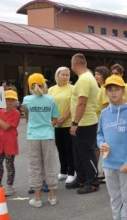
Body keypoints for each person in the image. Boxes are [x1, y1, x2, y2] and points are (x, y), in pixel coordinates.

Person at [97, 75, 127, 220]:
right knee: (114, 198)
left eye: (117, 89)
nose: (113, 93)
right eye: (110, 90)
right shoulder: (104, 113)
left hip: (124, 163)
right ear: (106, 92)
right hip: (108, 163)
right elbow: (99, 134)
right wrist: (101, 144)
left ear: (123, 91)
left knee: (126, 199)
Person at [22, 73, 59, 207]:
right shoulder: (51, 99)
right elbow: (55, 119)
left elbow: (26, 114)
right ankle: (52, 196)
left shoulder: (27, 99)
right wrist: (48, 125)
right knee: (50, 165)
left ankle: (37, 198)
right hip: (48, 135)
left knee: (35, 166)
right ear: (44, 85)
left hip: (33, 136)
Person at [67, 53, 100, 194]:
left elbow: (82, 102)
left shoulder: (84, 80)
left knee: (86, 153)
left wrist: (75, 123)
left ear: (73, 65)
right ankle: (81, 178)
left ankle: (93, 182)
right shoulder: (86, 77)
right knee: (78, 153)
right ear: (85, 63)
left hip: (85, 122)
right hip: (82, 122)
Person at [48, 67, 75, 184]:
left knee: (70, 149)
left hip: (68, 123)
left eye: (67, 75)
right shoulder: (51, 90)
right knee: (60, 149)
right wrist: (55, 121)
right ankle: (63, 171)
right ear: (57, 75)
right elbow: (49, 107)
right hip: (55, 124)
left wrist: (63, 118)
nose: (65, 77)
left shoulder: (73, 89)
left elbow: (73, 106)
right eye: (62, 74)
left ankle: (71, 172)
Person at [0, 90, 21, 196]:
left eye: (13, 99)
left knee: (9, 165)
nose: (10, 101)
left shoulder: (16, 113)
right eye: (8, 99)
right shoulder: (1, 112)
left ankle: (9, 186)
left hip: (10, 142)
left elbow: (6, 126)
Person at [94, 66, 111, 181]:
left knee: (104, 146)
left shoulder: (104, 88)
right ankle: (101, 171)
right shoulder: (100, 88)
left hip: (103, 120)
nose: (96, 76)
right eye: (95, 74)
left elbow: (105, 106)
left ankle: (106, 172)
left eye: (98, 74)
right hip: (99, 119)